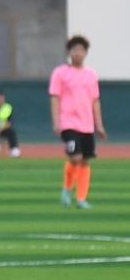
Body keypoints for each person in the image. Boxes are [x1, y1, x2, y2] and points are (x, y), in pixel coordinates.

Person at [50, 36, 106, 209]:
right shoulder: (60, 73)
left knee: (85, 160)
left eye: (81, 50)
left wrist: (99, 125)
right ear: (68, 53)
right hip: (68, 122)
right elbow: (55, 98)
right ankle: (67, 189)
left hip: (86, 124)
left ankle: (81, 198)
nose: (78, 53)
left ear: (86, 53)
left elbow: (95, 101)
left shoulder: (91, 75)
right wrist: (56, 122)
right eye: (74, 50)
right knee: (75, 157)